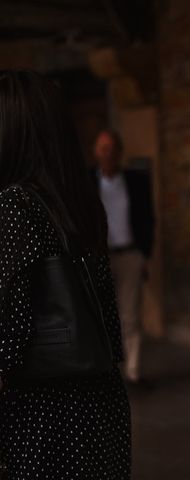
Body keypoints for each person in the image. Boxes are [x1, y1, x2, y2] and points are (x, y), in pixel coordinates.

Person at [0, 71, 130, 478]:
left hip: (42, 417)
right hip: (98, 406)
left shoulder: (12, 206)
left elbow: (10, 334)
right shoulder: (78, 200)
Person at [94, 129, 155, 385]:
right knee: (102, 314)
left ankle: (132, 372)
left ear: (120, 152)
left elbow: (149, 219)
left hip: (130, 254)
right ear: (95, 152)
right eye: (102, 148)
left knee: (130, 315)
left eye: (111, 148)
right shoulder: (87, 182)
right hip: (100, 258)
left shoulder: (136, 181)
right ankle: (106, 370)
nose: (107, 153)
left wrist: (144, 254)